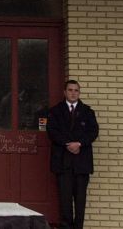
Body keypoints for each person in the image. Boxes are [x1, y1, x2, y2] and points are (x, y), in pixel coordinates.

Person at [47, 79, 99, 229]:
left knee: (80, 201)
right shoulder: (55, 111)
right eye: (70, 90)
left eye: (76, 90)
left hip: (81, 164)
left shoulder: (88, 112)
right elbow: (52, 132)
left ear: (79, 93)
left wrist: (79, 144)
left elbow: (93, 132)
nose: (73, 93)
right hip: (63, 163)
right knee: (65, 201)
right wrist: (68, 144)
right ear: (65, 92)